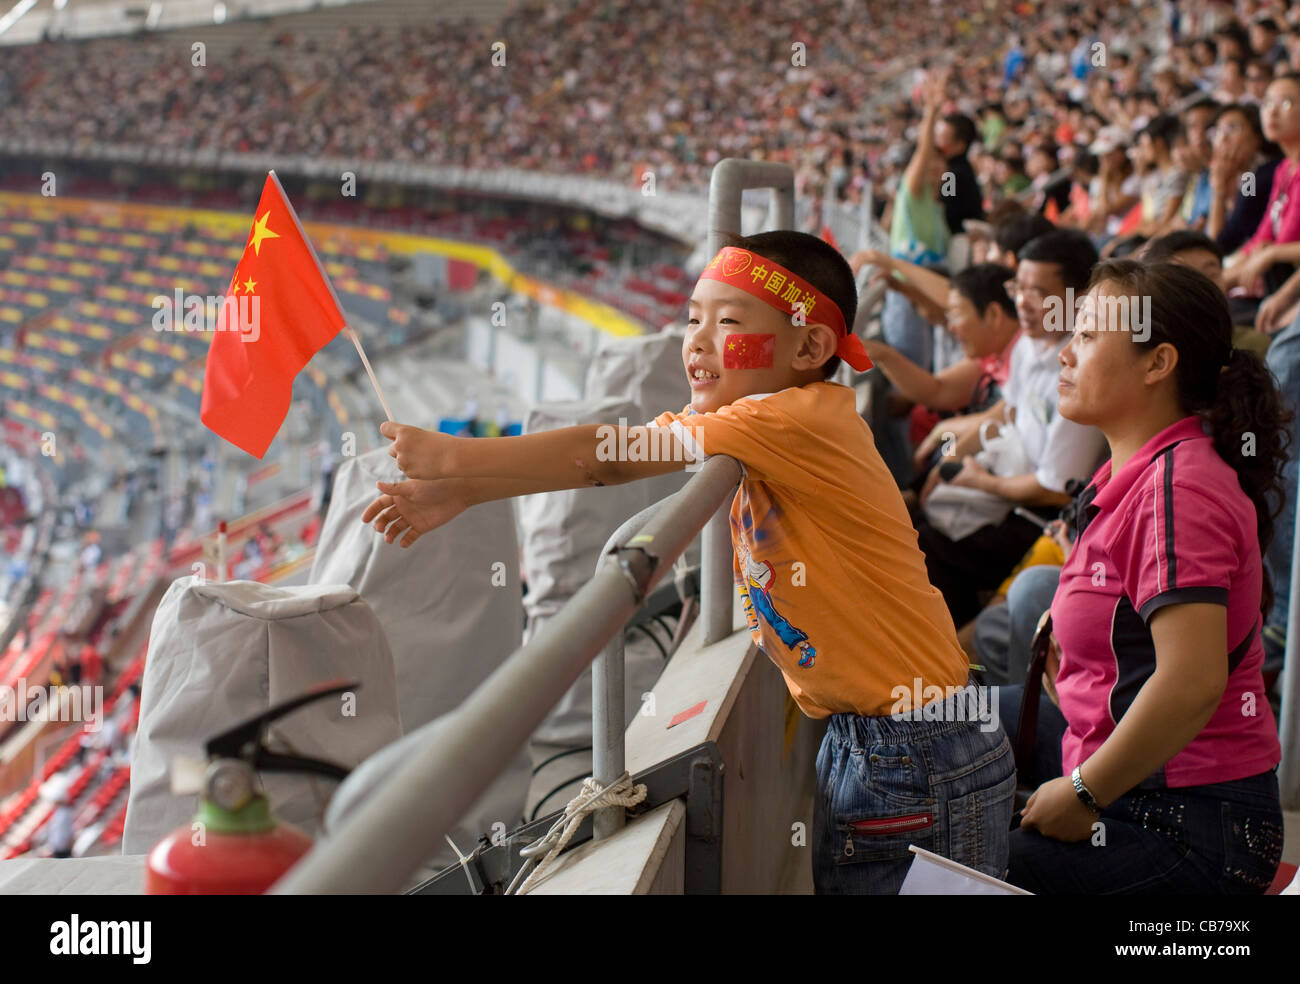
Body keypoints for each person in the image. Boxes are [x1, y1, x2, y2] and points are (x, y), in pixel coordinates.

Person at [364, 230, 1015, 895]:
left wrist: (455, 457)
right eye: (692, 319)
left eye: (728, 322)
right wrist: (467, 493)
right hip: (890, 740)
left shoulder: (782, 421)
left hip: (916, 750)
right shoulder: (769, 418)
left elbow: (610, 454)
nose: (697, 342)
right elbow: (615, 454)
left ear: (810, 347)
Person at [1004, 260, 1287, 894]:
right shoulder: (1134, 474)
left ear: (1158, 363)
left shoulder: (1178, 488)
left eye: (1086, 336)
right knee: (941, 725)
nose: (1064, 355)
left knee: (966, 865)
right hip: (1138, 781)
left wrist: (1082, 792)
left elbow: (1191, 682)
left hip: (1191, 824)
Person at [912, 230, 1108, 627]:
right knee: (921, 512)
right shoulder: (1027, 345)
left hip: (1040, 513)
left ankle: (959, 662)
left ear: (1079, 298)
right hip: (1008, 481)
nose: (1022, 302)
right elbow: (1007, 411)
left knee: (922, 548)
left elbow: (1054, 489)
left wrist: (979, 482)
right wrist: (951, 456)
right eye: (1018, 286)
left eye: (1039, 292)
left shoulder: (1081, 371)